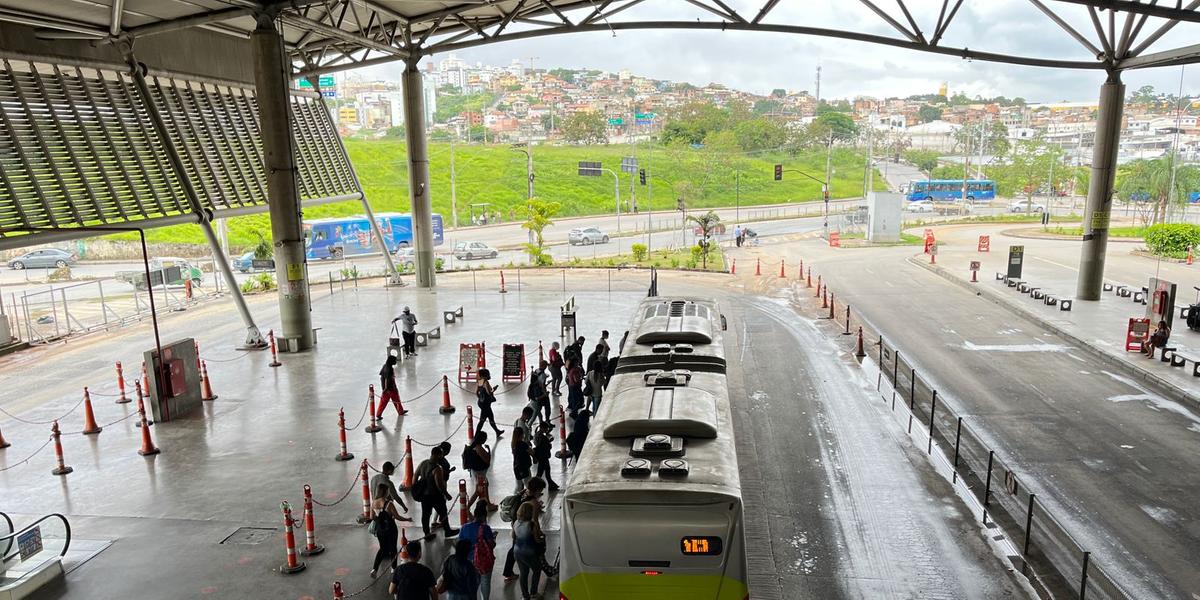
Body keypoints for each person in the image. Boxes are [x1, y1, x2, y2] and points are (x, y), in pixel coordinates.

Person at [501, 476, 545, 582]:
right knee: (523, 548)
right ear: (538, 490)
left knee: (514, 547)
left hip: (516, 524)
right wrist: (538, 533)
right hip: (524, 529)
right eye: (541, 491)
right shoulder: (533, 502)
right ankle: (512, 571)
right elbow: (534, 520)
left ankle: (508, 572)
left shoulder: (523, 493)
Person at [413, 446, 458, 540]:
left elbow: (415, 477)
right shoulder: (438, 468)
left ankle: (427, 534)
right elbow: (439, 485)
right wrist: (446, 494)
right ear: (438, 455)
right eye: (441, 454)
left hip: (424, 496)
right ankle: (447, 531)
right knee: (443, 512)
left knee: (425, 515)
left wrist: (416, 487)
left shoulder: (423, 463)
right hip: (435, 495)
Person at [458, 502, 497, 599]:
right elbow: (492, 545)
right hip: (484, 561)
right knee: (485, 582)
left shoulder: (464, 528)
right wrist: (493, 538)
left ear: (474, 515)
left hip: (469, 561)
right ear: (484, 516)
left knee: (471, 583)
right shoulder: (486, 529)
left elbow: (459, 544)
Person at [512, 501, 548, 600]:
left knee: (523, 573)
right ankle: (533, 592)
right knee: (537, 570)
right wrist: (543, 538)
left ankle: (525, 595)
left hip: (517, 552)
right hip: (529, 552)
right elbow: (537, 539)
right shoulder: (532, 525)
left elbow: (513, 536)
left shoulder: (516, 523)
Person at [370, 483, 401, 579]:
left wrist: (380, 520)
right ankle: (393, 568)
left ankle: (374, 569)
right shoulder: (389, 503)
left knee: (382, 549)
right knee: (393, 548)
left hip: (380, 530)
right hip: (391, 529)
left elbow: (371, 517)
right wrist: (407, 519)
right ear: (385, 492)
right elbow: (397, 516)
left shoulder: (374, 503)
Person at [463, 431, 494, 510]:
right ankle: (467, 507)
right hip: (480, 473)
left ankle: (488, 504)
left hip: (477, 471)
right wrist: (489, 450)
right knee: (478, 491)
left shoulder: (473, 445)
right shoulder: (479, 447)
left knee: (485, 485)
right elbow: (487, 460)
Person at [474, 368, 504, 438]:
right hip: (486, 404)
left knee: (490, 417)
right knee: (482, 420)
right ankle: (476, 435)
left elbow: (476, 393)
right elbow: (489, 392)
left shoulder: (479, 381)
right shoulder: (485, 382)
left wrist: (480, 398)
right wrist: (494, 389)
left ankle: (497, 431)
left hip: (481, 402)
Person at [377, 355, 408, 419]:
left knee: (383, 402)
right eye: (395, 361)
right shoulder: (390, 369)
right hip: (390, 388)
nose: (396, 362)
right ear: (391, 361)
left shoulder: (384, 366)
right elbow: (387, 379)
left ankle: (378, 414)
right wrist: (386, 388)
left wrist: (384, 388)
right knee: (396, 400)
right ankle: (400, 411)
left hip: (385, 389)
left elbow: (382, 377)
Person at [533, 420, 559, 492]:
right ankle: (535, 488)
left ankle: (550, 485)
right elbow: (546, 446)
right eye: (546, 428)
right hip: (543, 456)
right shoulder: (543, 437)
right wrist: (549, 443)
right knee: (543, 472)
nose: (547, 430)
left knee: (542, 472)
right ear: (542, 428)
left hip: (540, 456)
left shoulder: (536, 434)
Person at [510, 426, 534, 494]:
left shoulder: (513, 444)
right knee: (528, 485)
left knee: (518, 485)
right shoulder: (523, 444)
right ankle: (530, 498)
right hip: (524, 466)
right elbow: (532, 452)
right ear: (521, 435)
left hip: (516, 466)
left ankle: (515, 499)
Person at [585, 344, 607, 413]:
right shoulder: (600, 375)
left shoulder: (590, 373)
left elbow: (586, 381)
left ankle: (587, 409)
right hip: (598, 393)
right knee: (596, 409)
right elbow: (604, 382)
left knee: (591, 401)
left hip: (591, 391)